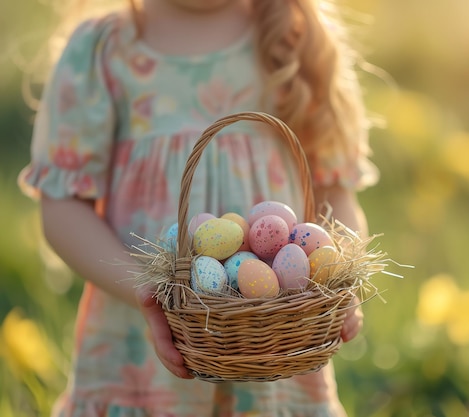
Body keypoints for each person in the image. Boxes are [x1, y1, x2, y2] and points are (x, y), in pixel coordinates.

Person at [19, 0, 379, 415]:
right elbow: (63, 207)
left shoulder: (295, 39)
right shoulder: (102, 51)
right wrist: (148, 289)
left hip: (272, 337)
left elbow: (335, 193)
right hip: (137, 351)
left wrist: (338, 278)